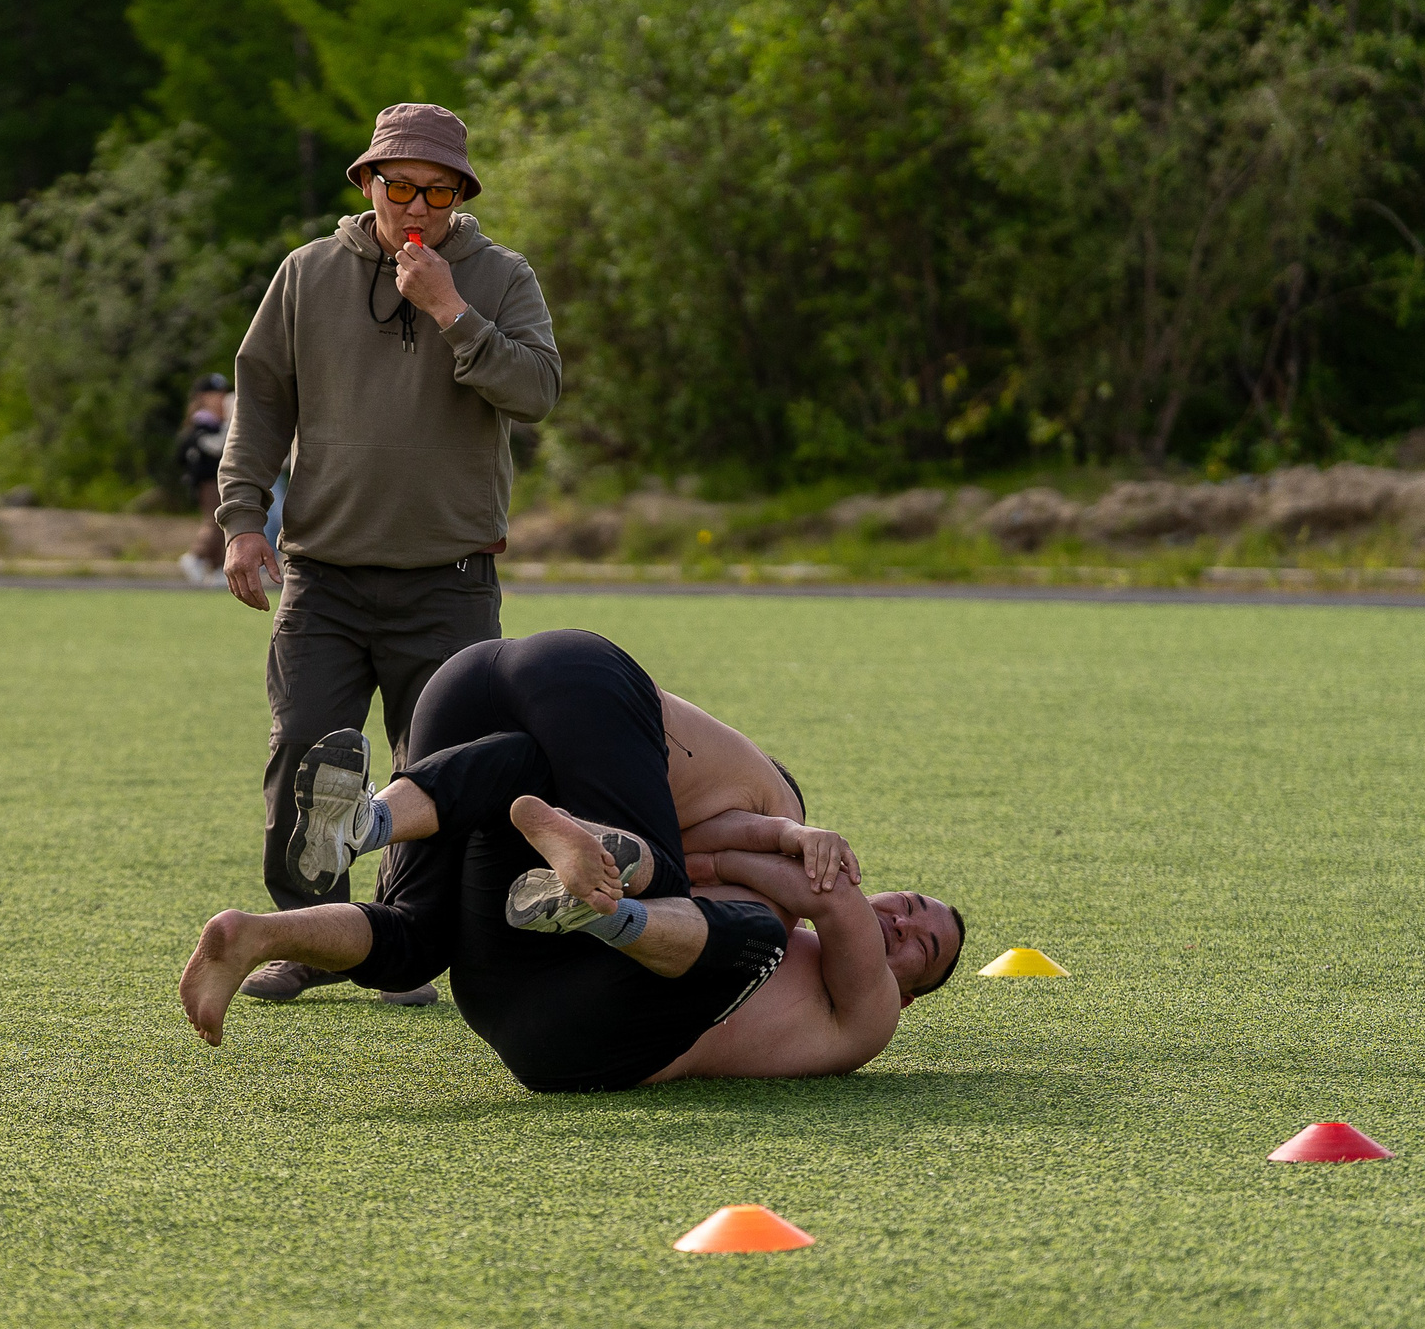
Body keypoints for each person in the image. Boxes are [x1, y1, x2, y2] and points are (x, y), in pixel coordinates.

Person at [179, 630, 967, 1091]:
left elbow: (823, 899)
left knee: (724, 914)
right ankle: (312, 879)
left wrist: (790, 848)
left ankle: (395, 831)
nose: (900, 921)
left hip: (592, 1035)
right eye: (911, 904)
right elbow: (731, 862)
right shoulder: (778, 880)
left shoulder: (868, 1013)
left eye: (921, 948)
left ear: (910, 991)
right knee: (447, 910)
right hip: (521, 998)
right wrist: (784, 846)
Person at [214, 103, 562, 1006]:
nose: (415, 205)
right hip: (323, 576)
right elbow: (260, 401)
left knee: (433, 771)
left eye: (436, 190)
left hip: (450, 580)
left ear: (460, 194)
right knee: (306, 751)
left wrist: (451, 311)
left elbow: (536, 390)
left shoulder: (501, 277)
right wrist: (242, 518)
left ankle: (397, 944)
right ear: (366, 182)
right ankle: (305, 934)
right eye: (397, 184)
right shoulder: (307, 274)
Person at [176, 373, 233, 585]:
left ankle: (217, 567)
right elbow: (214, 447)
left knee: (222, 523)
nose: (219, 398)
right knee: (214, 521)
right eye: (214, 394)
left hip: (217, 479)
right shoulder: (202, 423)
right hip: (208, 480)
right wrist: (230, 427)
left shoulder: (214, 423)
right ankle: (195, 556)